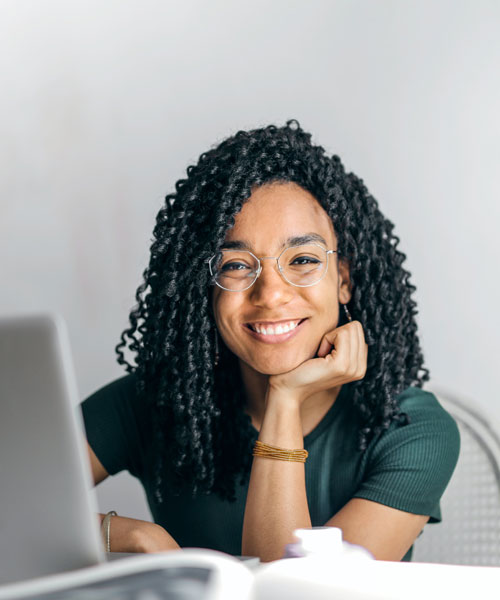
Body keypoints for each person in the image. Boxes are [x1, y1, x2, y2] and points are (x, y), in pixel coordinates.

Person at [82, 121, 460, 562]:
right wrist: (129, 536)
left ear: (344, 279)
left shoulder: (411, 429)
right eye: (237, 266)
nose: (271, 294)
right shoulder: (156, 400)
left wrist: (285, 398)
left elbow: (295, 594)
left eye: (302, 259)